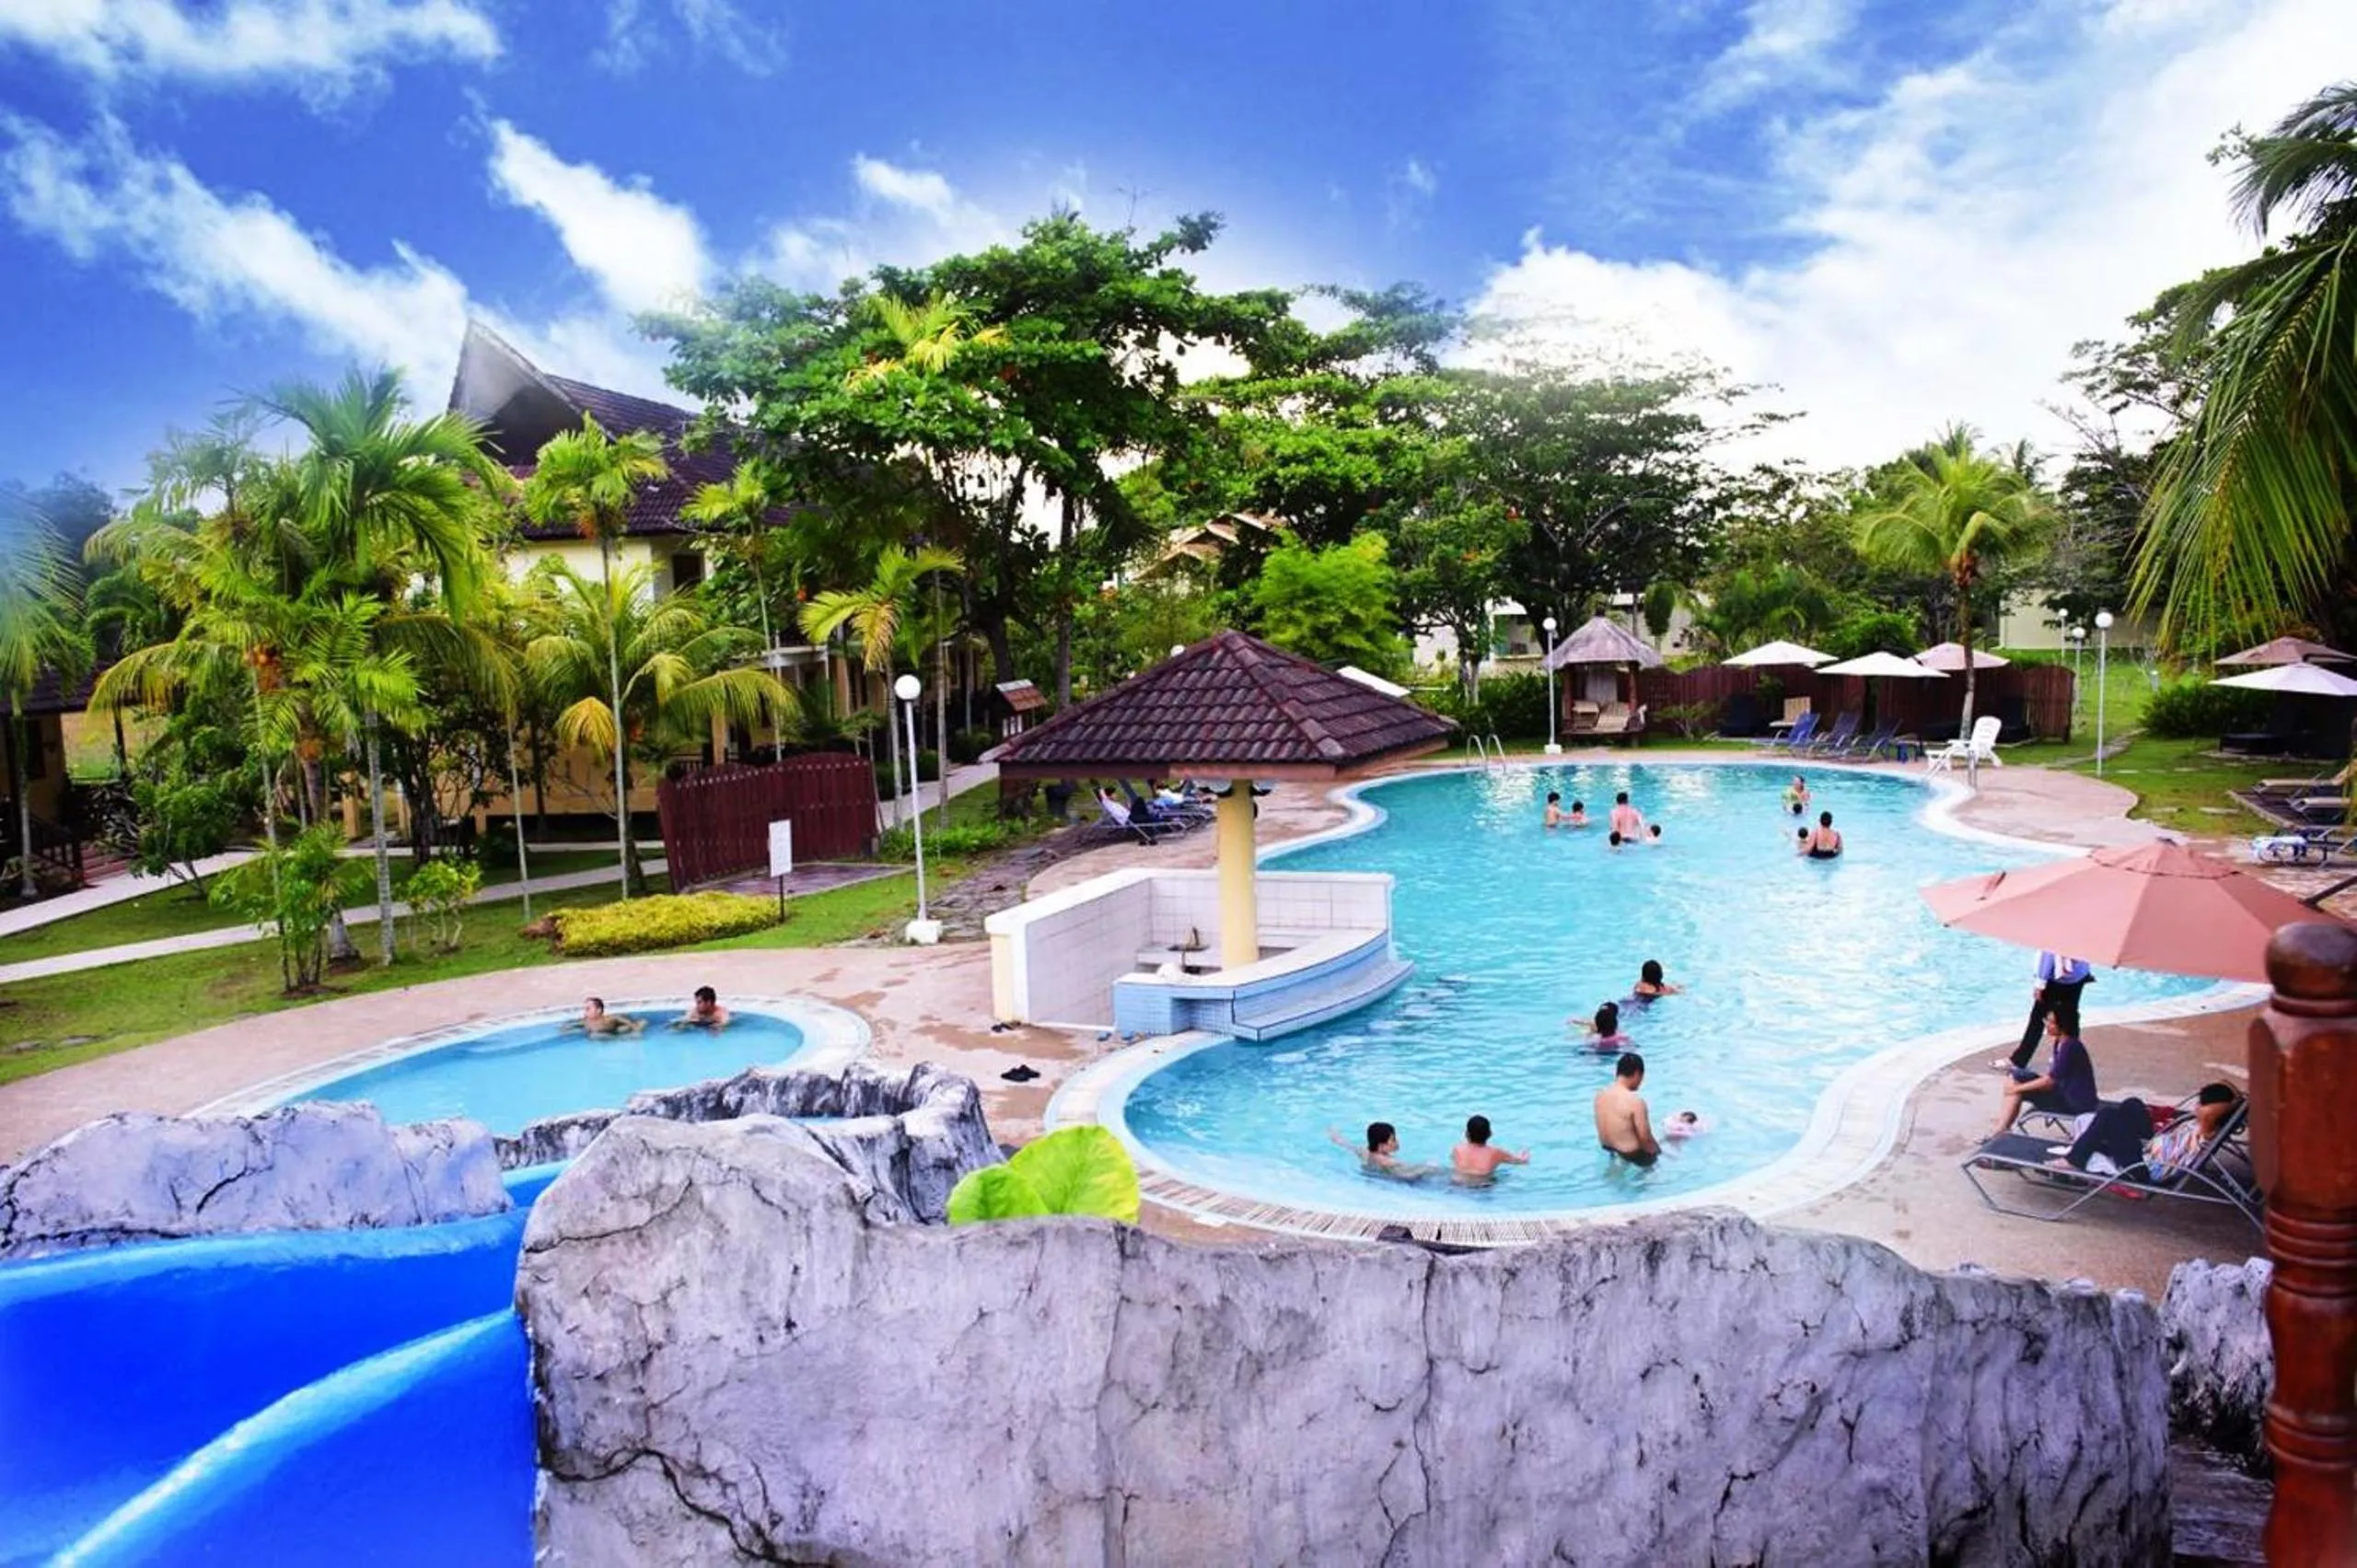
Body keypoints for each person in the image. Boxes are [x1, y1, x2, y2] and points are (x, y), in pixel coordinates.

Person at [2049, 1084, 2242, 1178]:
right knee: (2132, 1104)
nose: (2197, 1106)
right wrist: (2237, 1101)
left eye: (2201, 1104)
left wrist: (2228, 1105)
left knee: (2108, 1116)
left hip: (2144, 1167)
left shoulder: (2206, 1130)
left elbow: (2212, 1111)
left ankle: (2073, 1160)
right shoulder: (2204, 1122)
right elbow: (2229, 1097)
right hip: (2149, 1147)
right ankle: (2096, 1141)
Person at [1993, 1007, 2098, 1136]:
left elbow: (2050, 1082)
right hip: (2064, 1091)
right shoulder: (2061, 1042)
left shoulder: (2069, 1047)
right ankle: (2002, 1128)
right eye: (2047, 1021)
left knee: (2015, 1088)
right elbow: (2054, 1076)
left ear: (2063, 1025)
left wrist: (2018, 1088)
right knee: (2015, 1075)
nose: (2047, 1025)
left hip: (2074, 1103)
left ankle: (2000, 1131)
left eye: (2051, 1022)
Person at [2005, 951, 2095, 1071]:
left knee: (2038, 1019)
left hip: (2057, 979)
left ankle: (2019, 1060)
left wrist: (2040, 983)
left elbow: (2048, 953)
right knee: (2070, 1018)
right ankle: (2068, 1058)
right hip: (2078, 975)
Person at [1595, 1051, 1662, 1167]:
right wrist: (1659, 1154)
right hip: (1632, 1156)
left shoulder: (1600, 1096)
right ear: (1637, 1074)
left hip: (1608, 1150)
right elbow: (1646, 1139)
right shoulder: (1635, 1102)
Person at [1327, 1121, 1437, 1181]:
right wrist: (1428, 1167)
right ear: (1381, 1145)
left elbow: (1347, 1145)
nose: (1396, 1142)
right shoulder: (1388, 1161)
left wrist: (1335, 1136)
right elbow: (1408, 1174)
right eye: (1393, 1139)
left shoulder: (1364, 1151)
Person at [1451, 1115, 1530, 1182]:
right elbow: (1522, 1161)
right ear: (1490, 1134)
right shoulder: (1496, 1152)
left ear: (1466, 1134)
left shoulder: (1457, 1149)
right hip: (1482, 1186)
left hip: (1458, 1184)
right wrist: (1525, 1153)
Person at [574, 997, 644, 1037]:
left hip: (615, 1031)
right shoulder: (586, 1022)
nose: (585, 1012)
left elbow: (618, 1018)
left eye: (588, 1009)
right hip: (602, 1034)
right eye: (585, 1009)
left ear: (598, 1010)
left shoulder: (607, 1019)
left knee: (641, 1023)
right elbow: (575, 1025)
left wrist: (634, 1027)